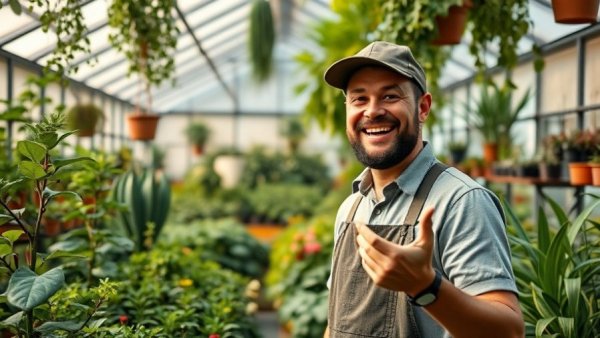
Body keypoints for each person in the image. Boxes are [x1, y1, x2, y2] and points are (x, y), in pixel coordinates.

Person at [322, 41, 523, 338]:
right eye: (359, 99)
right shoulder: (351, 208)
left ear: (423, 107)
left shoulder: (460, 202)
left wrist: (425, 286)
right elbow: (337, 321)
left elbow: (508, 331)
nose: (372, 111)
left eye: (390, 96)